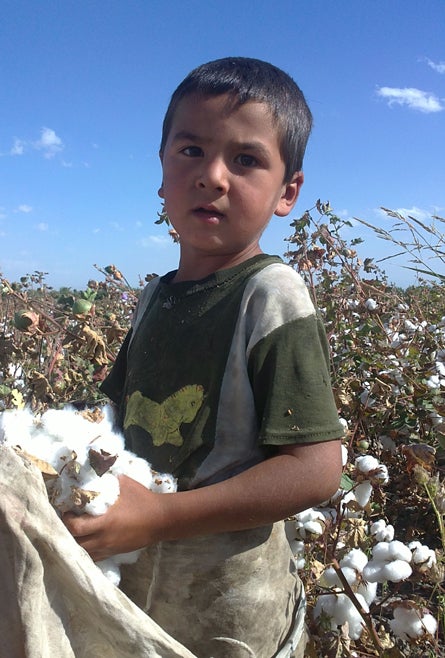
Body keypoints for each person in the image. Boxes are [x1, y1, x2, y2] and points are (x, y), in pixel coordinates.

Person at [63, 57, 344, 657]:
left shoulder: (270, 296)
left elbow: (315, 467)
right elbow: (110, 416)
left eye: (245, 160)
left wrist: (160, 516)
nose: (213, 176)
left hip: (230, 615)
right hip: (140, 600)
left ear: (287, 192)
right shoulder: (154, 298)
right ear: (162, 172)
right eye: (190, 150)